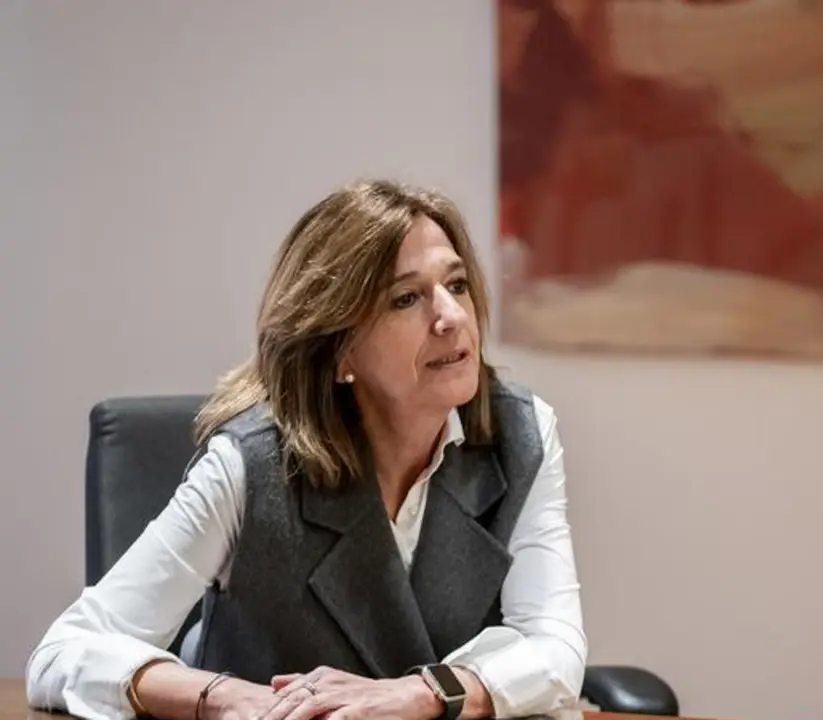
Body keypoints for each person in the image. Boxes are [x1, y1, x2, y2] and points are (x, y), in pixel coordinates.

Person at [25, 180, 588, 720]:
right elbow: (64, 652)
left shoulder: (521, 435)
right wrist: (221, 698)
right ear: (339, 348)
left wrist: (424, 693)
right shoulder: (250, 465)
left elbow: (555, 646)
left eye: (457, 285)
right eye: (406, 298)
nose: (451, 317)